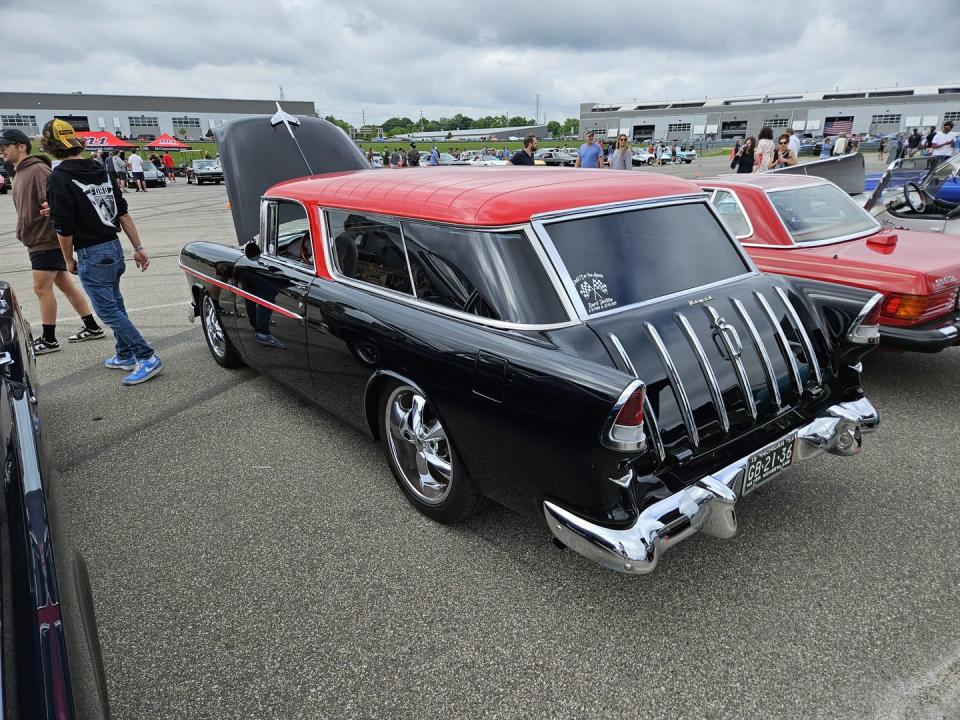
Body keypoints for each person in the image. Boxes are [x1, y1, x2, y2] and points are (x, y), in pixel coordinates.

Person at [40, 119, 162, 386]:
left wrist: (67, 257)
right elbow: (122, 212)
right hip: (113, 249)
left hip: (92, 253)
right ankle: (125, 354)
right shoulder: (99, 169)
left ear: (50, 146)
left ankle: (147, 356)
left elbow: (64, 227)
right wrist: (138, 248)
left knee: (107, 312)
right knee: (116, 304)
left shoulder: (58, 178)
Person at [0, 128, 104, 355]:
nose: (1, 151)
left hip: (45, 238)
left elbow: (57, 199)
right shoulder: (20, 172)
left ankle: (48, 339)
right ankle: (92, 326)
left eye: (5, 146)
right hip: (38, 238)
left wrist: (53, 211)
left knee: (40, 288)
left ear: (21, 146)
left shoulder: (37, 170)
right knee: (64, 284)